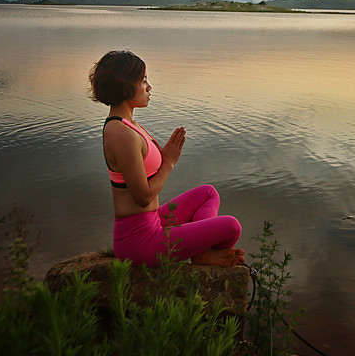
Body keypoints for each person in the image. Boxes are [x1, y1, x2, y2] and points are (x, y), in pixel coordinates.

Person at [89, 50, 244, 267]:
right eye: (143, 81)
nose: (149, 87)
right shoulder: (120, 134)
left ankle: (203, 252)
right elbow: (142, 196)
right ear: (125, 86)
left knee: (208, 194)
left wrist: (166, 155)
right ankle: (204, 254)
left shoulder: (131, 125)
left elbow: (152, 165)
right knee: (231, 226)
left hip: (154, 222)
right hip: (139, 241)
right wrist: (170, 162)